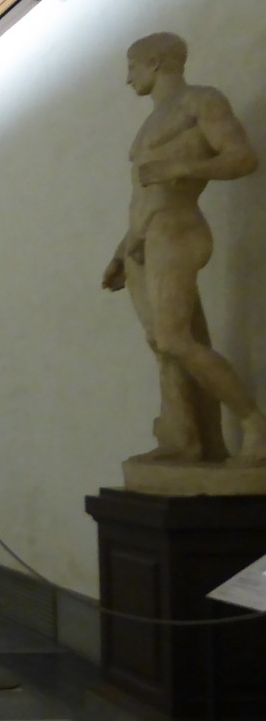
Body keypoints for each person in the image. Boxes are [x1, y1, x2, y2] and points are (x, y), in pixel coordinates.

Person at [102, 32, 266, 464]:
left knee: (175, 339)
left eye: (133, 66)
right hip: (142, 241)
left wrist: (181, 165)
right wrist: (122, 250)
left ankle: (253, 422)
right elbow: (143, 198)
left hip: (177, 228)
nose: (128, 78)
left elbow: (242, 157)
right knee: (161, 344)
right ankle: (185, 439)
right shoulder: (150, 123)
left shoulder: (201, 102)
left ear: (156, 62)